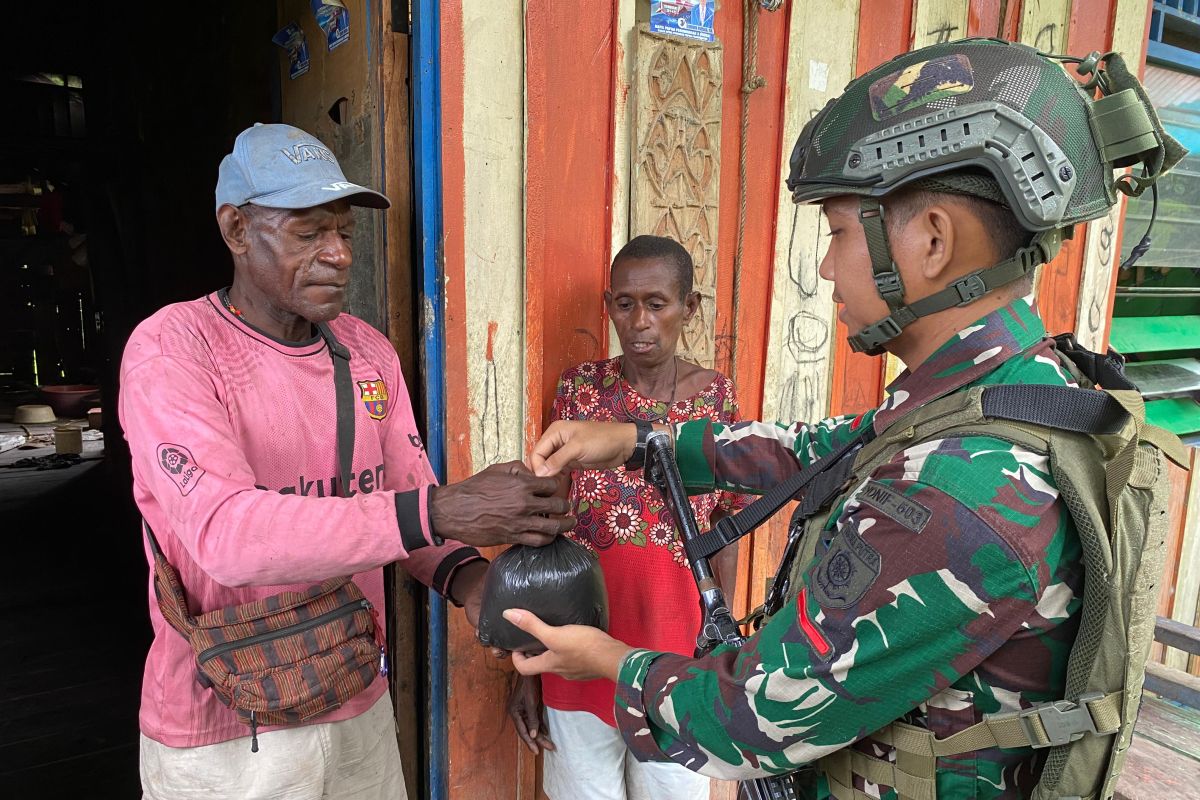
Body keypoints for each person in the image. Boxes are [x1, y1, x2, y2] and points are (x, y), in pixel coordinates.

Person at [499, 40, 1183, 798]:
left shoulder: (961, 489)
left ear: (930, 241)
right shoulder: (997, 391)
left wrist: (604, 660)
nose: (825, 268)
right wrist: (638, 440)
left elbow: (749, 715)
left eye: (839, 234)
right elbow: (819, 450)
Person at [119, 122, 574, 800]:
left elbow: (412, 518)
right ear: (237, 231)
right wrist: (442, 508)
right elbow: (227, 537)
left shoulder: (366, 352)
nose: (337, 254)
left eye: (345, 232)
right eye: (308, 233)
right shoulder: (172, 351)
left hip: (353, 694)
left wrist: (480, 588)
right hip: (225, 727)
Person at [507, 235, 750, 800]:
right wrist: (523, 666)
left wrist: (720, 640)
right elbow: (543, 523)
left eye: (657, 303)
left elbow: (728, 528)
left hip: (675, 654)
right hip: (578, 650)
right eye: (624, 303)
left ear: (689, 308)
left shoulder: (714, 399)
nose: (639, 321)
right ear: (608, 305)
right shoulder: (580, 391)